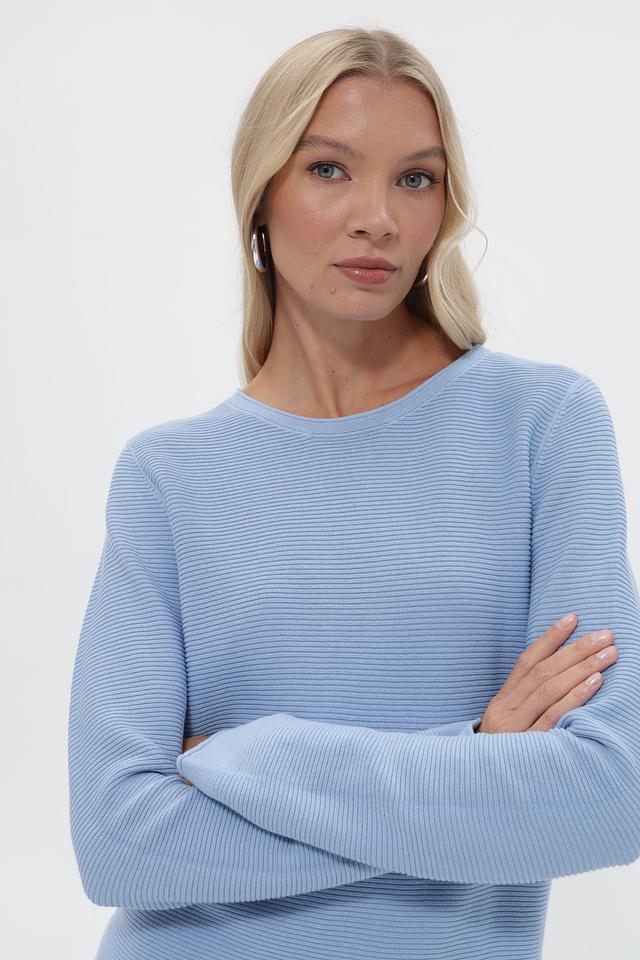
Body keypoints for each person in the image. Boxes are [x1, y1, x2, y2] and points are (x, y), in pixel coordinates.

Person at [68, 26, 640, 960]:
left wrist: (257, 757)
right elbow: (120, 844)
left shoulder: (543, 425)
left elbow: (607, 799)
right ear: (260, 194)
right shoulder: (168, 476)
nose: (377, 217)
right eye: (329, 169)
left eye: (415, 178)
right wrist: (476, 761)